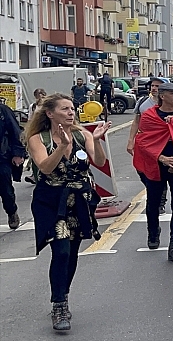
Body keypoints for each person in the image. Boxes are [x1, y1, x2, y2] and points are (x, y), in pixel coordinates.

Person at [26, 93, 111, 331]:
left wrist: (97, 140)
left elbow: (99, 160)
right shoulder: (38, 139)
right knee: (61, 250)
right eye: (65, 109)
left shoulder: (82, 134)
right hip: (51, 201)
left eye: (72, 108)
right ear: (50, 113)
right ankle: (59, 304)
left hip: (79, 201)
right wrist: (61, 146)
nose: (71, 112)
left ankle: (63, 294)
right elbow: (45, 167)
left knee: (72, 252)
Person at [133, 82, 173, 263]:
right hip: (156, 165)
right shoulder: (149, 116)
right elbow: (143, 142)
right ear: (162, 95)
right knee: (154, 203)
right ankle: (153, 231)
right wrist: (163, 159)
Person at [127, 77, 168, 215]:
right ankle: (153, 191)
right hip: (144, 143)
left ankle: (160, 203)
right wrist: (131, 140)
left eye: (158, 86)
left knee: (159, 174)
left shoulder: (169, 104)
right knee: (141, 169)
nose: (154, 88)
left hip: (162, 144)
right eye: (153, 85)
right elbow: (136, 122)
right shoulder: (143, 102)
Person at [0, 102, 25, 230]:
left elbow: (15, 132)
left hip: (2, 157)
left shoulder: (3, 111)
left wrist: (18, 153)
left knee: (6, 191)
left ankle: (11, 212)